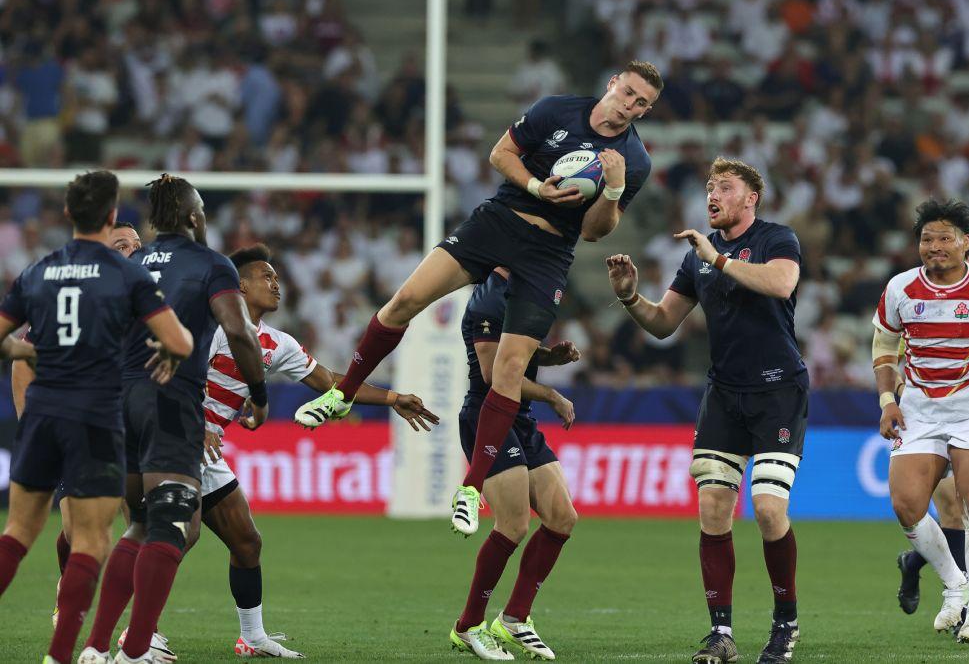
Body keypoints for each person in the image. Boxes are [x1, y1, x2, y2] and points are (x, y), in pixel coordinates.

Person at [295, 60, 661, 537]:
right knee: (405, 300)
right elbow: (500, 154)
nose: (629, 107)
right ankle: (343, 396)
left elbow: (594, 233)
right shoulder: (556, 111)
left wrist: (611, 188)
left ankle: (469, 487)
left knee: (508, 370)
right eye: (627, 93)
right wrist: (534, 186)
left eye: (641, 104)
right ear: (611, 82)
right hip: (500, 219)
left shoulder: (635, 161)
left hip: (550, 252)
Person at [193, 243, 439, 658]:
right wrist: (197, 423)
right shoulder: (210, 326)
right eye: (266, 277)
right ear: (239, 284)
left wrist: (393, 397)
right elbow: (169, 375)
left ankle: (251, 638)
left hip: (207, 455)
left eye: (277, 277)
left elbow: (330, 381)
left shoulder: (276, 342)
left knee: (247, 542)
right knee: (171, 537)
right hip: (173, 436)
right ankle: (134, 630)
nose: (276, 284)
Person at [607, 157, 807, 664]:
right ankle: (721, 634)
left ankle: (786, 623)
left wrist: (716, 259)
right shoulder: (696, 257)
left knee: (766, 509)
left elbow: (782, 284)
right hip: (724, 394)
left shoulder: (776, 238)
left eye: (725, 187)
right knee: (713, 507)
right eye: (709, 187)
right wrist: (631, 298)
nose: (712, 195)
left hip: (778, 390)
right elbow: (662, 324)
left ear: (751, 198)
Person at [0, 171, 193, 664]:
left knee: (18, 534)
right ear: (109, 216)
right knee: (93, 539)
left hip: (44, 417)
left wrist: (24, 349)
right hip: (96, 416)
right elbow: (179, 342)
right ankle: (62, 655)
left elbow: (10, 344)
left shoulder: (38, 271)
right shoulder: (128, 276)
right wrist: (172, 353)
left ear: (68, 215)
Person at [80, 174, 268, 664]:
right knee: (173, 522)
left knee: (141, 524)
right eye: (201, 209)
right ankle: (137, 648)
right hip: (169, 399)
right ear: (190, 216)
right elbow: (240, 332)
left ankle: (99, 646)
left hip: (119, 403)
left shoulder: (132, 262)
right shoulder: (211, 264)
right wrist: (261, 394)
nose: (204, 217)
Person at [8, 221, 146, 630]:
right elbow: (23, 357)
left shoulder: (151, 301)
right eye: (122, 245)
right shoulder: (78, 296)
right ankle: (68, 594)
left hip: (130, 430)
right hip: (77, 425)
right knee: (77, 531)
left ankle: (141, 629)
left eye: (138, 246)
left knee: (139, 525)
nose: (132, 252)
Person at [874, 198, 969, 647]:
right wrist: (888, 400)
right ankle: (954, 584)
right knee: (906, 504)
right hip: (920, 408)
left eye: (946, 238)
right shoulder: (901, 288)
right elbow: (885, 346)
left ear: (967, 243)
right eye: (927, 238)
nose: (935, 246)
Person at [448, 268, 579, 661]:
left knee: (561, 517)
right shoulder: (491, 297)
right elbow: (494, 374)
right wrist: (551, 394)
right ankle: (467, 626)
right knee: (515, 524)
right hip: (488, 416)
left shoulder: (525, 288)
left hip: (519, 420)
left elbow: (515, 351)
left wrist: (547, 357)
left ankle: (514, 619)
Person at [893, 247, 969, 616]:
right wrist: (902, 396)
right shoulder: (926, 309)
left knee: (968, 509)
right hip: (931, 417)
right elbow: (896, 362)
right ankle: (962, 601)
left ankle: (914, 563)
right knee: (951, 505)